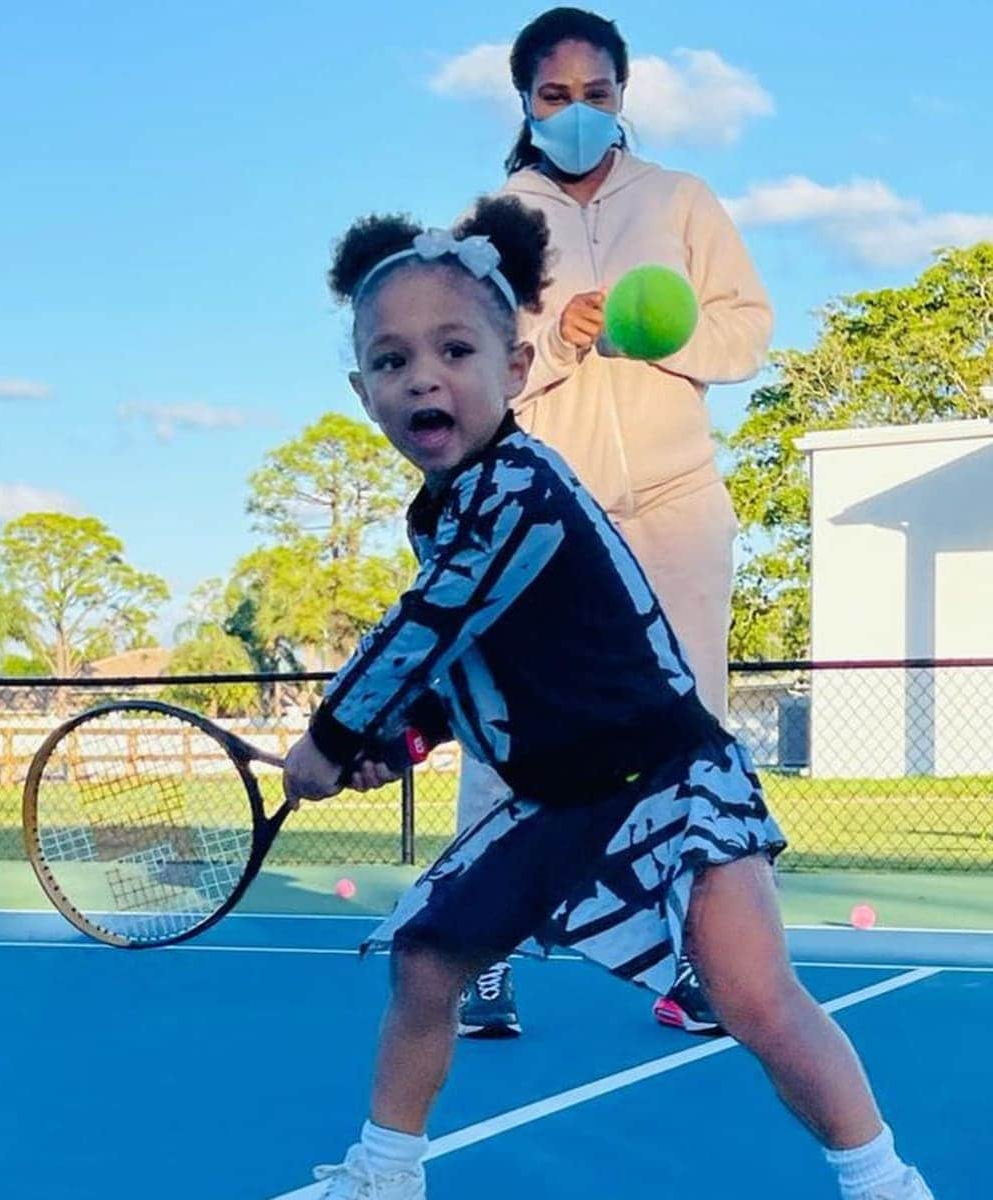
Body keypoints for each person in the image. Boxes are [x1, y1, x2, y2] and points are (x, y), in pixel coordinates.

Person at [280, 197, 933, 1200]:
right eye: (392, 360)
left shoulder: (517, 489)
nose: (423, 377)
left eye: (454, 349)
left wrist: (333, 734)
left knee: (755, 999)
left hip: (666, 778)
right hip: (560, 798)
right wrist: (405, 736)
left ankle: (885, 1183)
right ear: (364, 389)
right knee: (423, 959)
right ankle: (384, 1173)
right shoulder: (449, 508)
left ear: (516, 371)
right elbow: (478, 663)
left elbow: (432, 620)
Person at [455, 6, 775, 1039]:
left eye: (597, 96)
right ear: (526, 103)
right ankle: (483, 959)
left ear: (623, 98)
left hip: (678, 504)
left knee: (692, 740)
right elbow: (468, 368)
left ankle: (700, 967)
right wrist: (556, 337)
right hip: (553, 507)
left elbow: (747, 331)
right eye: (556, 97)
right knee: (511, 731)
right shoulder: (495, 220)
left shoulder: (683, 199)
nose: (579, 114)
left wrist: (659, 328)